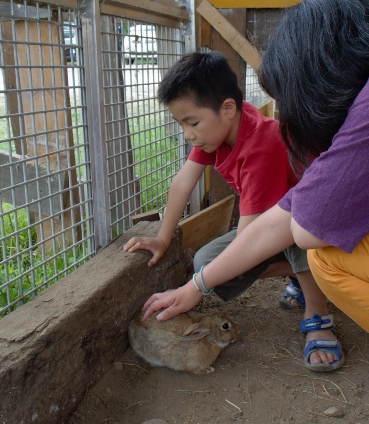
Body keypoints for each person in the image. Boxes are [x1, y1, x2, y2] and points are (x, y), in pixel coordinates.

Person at [141, 1, 369, 423]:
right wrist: (195, 285)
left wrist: (199, 282)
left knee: (328, 255)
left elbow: (306, 227)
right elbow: (288, 212)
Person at [123, 51, 345, 372]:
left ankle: (318, 311)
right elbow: (183, 182)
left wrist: (194, 288)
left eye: (192, 122)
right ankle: (303, 274)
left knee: (285, 240)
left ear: (227, 108)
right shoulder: (216, 134)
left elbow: (249, 239)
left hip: (315, 223)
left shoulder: (262, 147)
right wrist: (161, 237)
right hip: (271, 224)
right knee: (205, 263)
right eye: (181, 124)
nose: (187, 134)